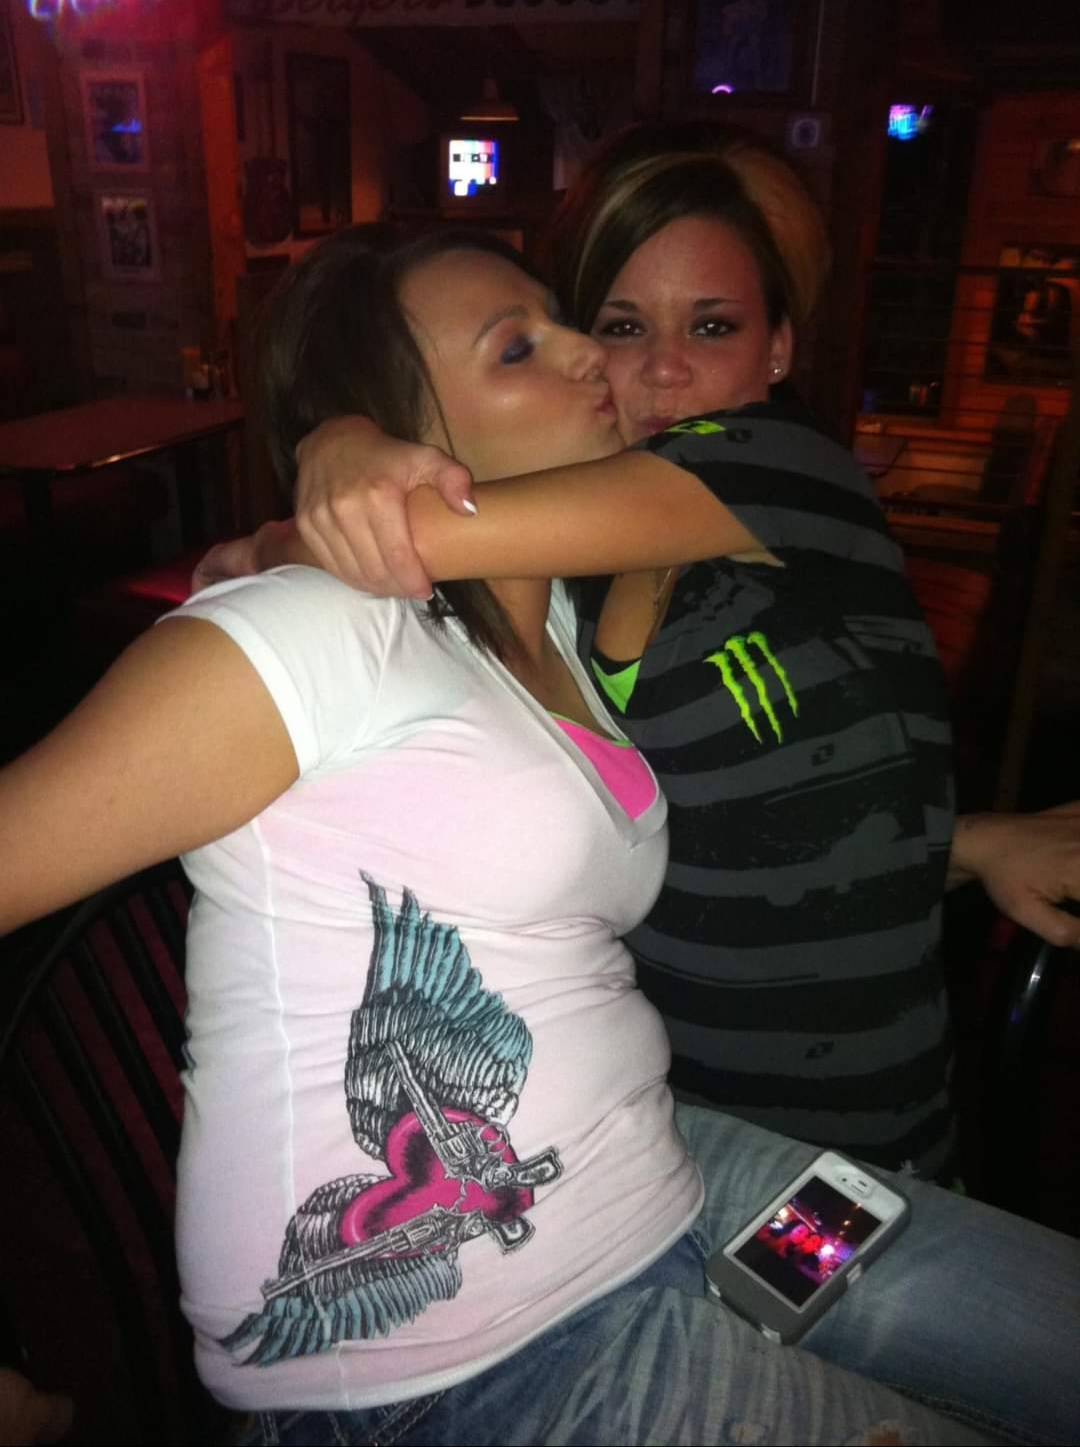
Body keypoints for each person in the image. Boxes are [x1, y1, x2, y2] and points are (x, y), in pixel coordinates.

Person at [4, 223, 1041, 1447]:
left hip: (672, 1179)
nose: (590, 351)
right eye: (518, 348)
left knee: (1050, 1334)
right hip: (465, 1359)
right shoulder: (311, 633)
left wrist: (971, 840)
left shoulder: (562, 625)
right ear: (410, 427)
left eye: (561, 321)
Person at [212, 135, 1080, 1189]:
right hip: (662, 1142)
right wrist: (966, 840)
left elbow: (387, 536)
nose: (665, 369)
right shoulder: (550, 591)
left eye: (713, 326)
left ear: (778, 349)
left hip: (862, 1145)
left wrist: (330, 450)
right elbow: (766, 838)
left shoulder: (784, 469)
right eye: (624, 327)